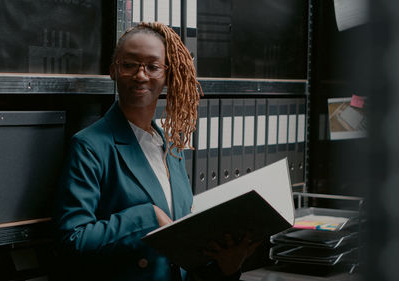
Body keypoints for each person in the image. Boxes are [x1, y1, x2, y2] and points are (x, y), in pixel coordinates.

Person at [53, 22, 259, 281]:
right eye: (129, 65)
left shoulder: (172, 148)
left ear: (167, 75)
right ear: (113, 71)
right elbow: (73, 240)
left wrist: (226, 267)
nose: (141, 75)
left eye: (152, 66)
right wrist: (146, 217)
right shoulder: (89, 146)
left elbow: (183, 257)